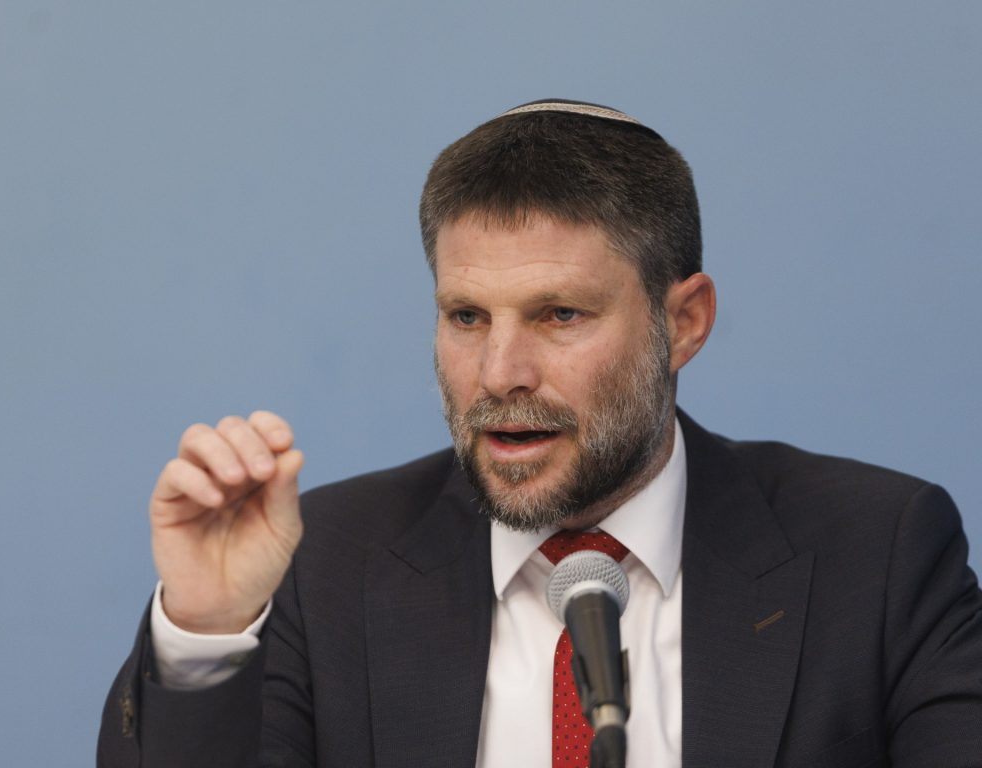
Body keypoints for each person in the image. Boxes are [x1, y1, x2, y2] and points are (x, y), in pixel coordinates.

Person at [98, 100, 982, 768]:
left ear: (684, 322)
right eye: (467, 316)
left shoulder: (879, 553)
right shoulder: (321, 564)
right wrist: (209, 634)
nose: (499, 374)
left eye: (559, 314)